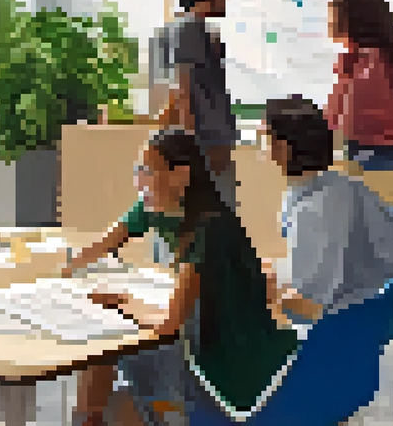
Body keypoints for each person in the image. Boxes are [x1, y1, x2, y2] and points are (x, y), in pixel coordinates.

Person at [65, 129, 300, 426]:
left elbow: (169, 325)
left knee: (106, 349)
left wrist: (124, 302)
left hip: (225, 363)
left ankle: (94, 418)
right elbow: (109, 240)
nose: (140, 182)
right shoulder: (163, 207)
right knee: (111, 362)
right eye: (139, 170)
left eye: (149, 171)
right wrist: (68, 266)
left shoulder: (206, 229)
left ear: (181, 175)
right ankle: (92, 418)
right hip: (222, 339)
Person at [261, 96, 393, 324]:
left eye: (264, 139)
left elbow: (310, 301)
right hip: (383, 308)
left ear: (281, 148)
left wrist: (269, 296)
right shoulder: (344, 187)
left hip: (345, 329)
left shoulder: (312, 211)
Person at [162, 0, 240, 212]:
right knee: (215, 205)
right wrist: (191, 140)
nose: (224, 0)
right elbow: (184, 87)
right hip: (207, 136)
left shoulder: (200, 31)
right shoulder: (189, 29)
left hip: (212, 133)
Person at [327, 0, 393, 171]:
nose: (329, 22)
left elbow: (340, 117)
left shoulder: (359, 60)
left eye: (333, 16)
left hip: (368, 159)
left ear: (349, 20)